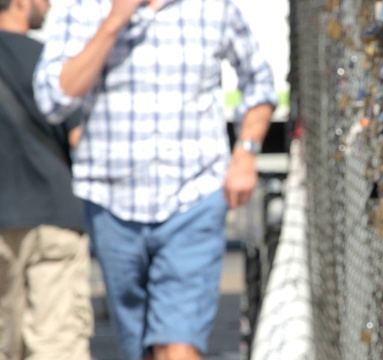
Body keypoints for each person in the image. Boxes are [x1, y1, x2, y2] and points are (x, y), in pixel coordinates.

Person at [33, 0, 277, 358]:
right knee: (140, 348)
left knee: (177, 346)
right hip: (111, 201)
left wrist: (245, 154)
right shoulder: (85, 8)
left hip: (194, 197)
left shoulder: (213, 7)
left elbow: (259, 82)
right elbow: (53, 100)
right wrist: (114, 22)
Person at [0, 0, 93, 358]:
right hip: (54, 215)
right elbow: (78, 139)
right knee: (57, 344)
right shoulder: (52, 63)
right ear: (21, 3)